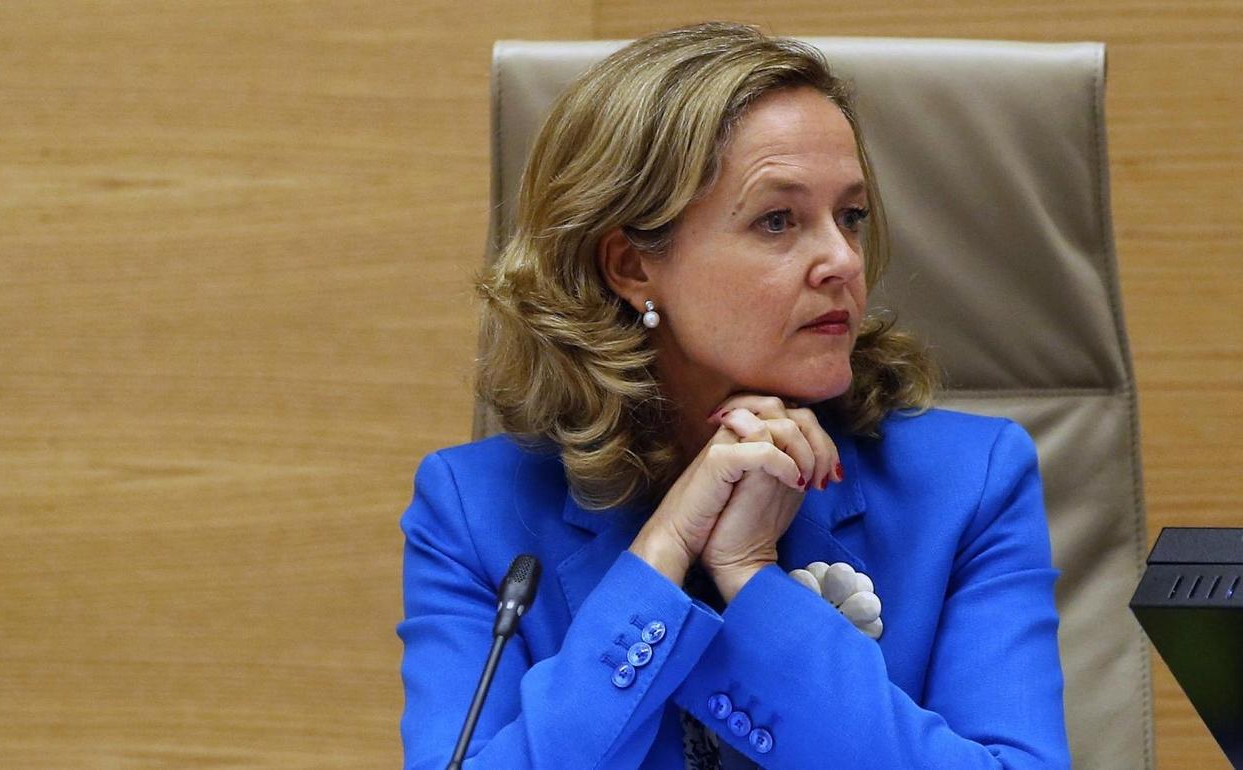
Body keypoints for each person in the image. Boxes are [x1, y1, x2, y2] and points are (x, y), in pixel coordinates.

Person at [398, 21, 1070, 770]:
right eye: (778, 220)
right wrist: (661, 555)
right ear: (631, 266)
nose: (843, 260)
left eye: (850, 216)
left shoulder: (968, 484)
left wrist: (750, 577)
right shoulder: (474, 512)